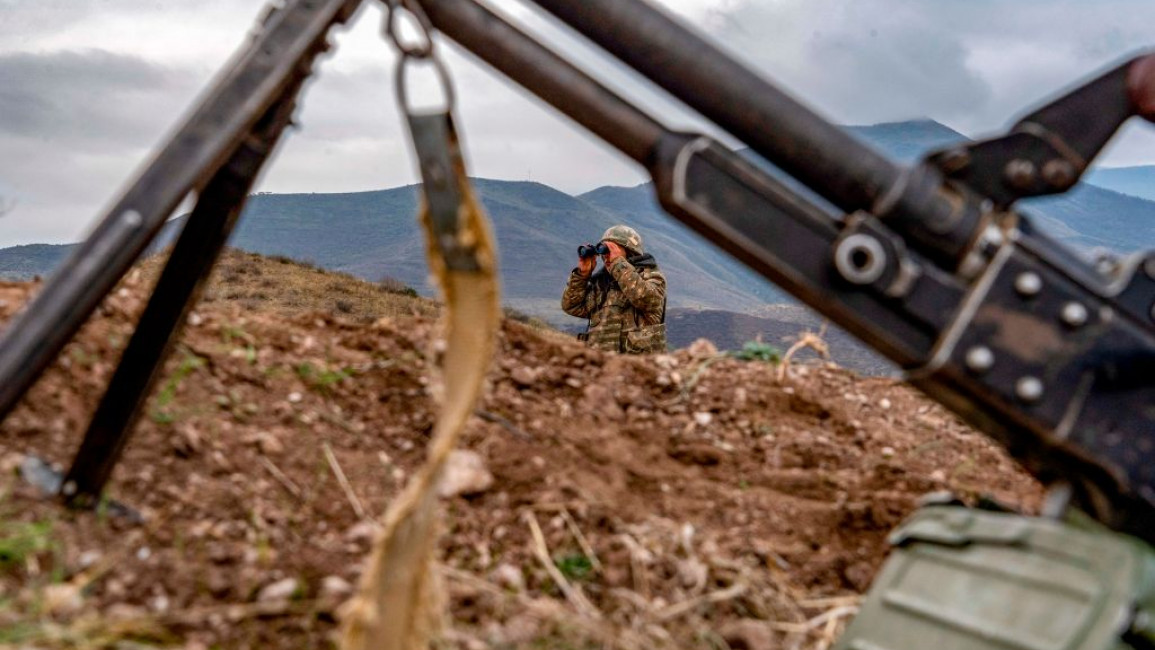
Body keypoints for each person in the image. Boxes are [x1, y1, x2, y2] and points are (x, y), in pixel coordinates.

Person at [561, 225, 667, 354]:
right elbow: (572, 306)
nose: (606, 255)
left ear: (629, 250)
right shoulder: (601, 282)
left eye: (611, 249)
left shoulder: (650, 275)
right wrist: (582, 276)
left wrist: (618, 263)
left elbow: (647, 300)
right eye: (604, 250)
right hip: (601, 363)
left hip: (636, 365)